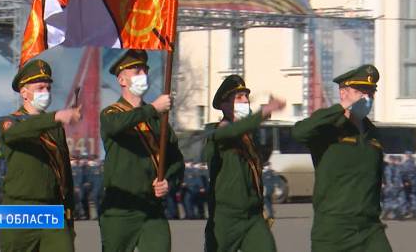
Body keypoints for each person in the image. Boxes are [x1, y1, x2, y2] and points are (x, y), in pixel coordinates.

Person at [292, 64, 392, 252]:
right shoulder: (328, 128)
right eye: (360, 91)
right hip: (334, 229)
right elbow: (299, 132)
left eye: (371, 92)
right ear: (343, 93)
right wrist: (340, 108)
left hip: (369, 227)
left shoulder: (373, 133)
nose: (367, 97)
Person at [99, 50, 184, 252]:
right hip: (120, 210)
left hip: (152, 209)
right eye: (136, 70)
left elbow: (176, 160)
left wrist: (168, 182)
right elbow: (115, 126)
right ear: (122, 79)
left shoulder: (158, 120)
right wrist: (153, 108)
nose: (143, 74)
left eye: (145, 70)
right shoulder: (111, 113)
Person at [0, 58, 82, 251]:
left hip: (52, 210)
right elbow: (15, 133)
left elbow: (64, 171)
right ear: (24, 92)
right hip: (20, 210)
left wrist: (69, 215)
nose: (45, 93)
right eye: (40, 88)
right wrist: (55, 117)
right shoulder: (10, 122)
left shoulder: (55, 127)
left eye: (48, 88)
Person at [203, 75, 285, 252]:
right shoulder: (216, 132)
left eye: (246, 97)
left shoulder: (248, 136)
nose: (245, 101)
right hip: (225, 218)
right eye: (239, 98)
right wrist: (262, 113)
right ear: (224, 105)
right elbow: (229, 132)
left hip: (252, 216)